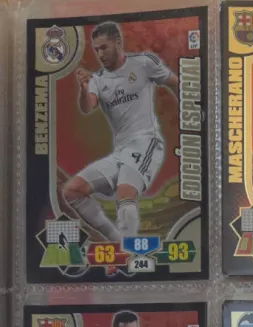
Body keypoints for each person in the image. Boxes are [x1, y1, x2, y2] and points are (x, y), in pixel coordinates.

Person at [63, 21, 178, 244]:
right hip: (120, 152)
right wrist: (84, 88)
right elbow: (87, 107)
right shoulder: (97, 80)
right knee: (73, 191)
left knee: (124, 193)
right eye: (96, 49)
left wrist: (191, 108)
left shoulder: (144, 63)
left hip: (146, 142)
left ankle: (129, 251)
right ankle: (120, 244)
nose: (100, 54)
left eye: (104, 47)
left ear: (118, 43)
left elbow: (174, 82)